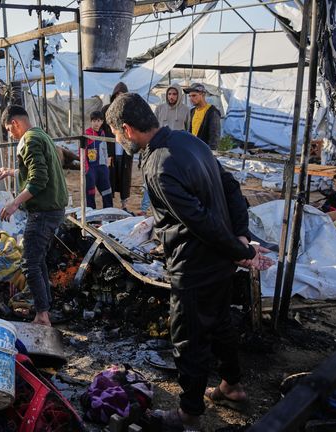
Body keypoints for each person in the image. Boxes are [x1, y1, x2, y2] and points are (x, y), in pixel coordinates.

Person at [104, 93, 273, 431]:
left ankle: (189, 414)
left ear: (127, 129)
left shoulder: (157, 167)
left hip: (194, 267)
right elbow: (230, 187)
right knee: (222, 323)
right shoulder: (188, 141)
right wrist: (240, 237)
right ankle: (232, 386)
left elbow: (200, 223)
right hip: (220, 263)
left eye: (118, 135)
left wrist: (243, 250)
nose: (119, 141)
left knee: (188, 339)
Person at [0, 105, 68, 327]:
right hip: (54, 210)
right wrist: (11, 172)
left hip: (43, 212)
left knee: (29, 263)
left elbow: (38, 180)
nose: (10, 134)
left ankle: (42, 316)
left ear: (15, 123)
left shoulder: (28, 141)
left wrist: (14, 202)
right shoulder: (41, 134)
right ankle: (44, 308)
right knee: (37, 260)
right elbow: (36, 169)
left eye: (9, 129)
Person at [141, 84, 191, 213]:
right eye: (169, 94)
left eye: (174, 94)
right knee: (153, 176)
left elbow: (188, 130)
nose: (172, 97)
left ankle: (170, 208)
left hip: (177, 149)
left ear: (179, 95)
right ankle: (146, 208)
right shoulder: (159, 108)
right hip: (160, 148)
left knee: (174, 179)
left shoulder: (186, 110)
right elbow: (153, 127)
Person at [102, 82, 133, 210]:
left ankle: (124, 205)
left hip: (125, 148)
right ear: (114, 95)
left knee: (125, 178)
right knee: (111, 176)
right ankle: (110, 206)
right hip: (112, 149)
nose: (119, 96)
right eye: (117, 94)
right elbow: (101, 127)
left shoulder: (130, 109)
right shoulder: (106, 109)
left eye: (122, 94)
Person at [83, 110, 113, 209]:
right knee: (90, 193)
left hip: (102, 168)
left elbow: (105, 150)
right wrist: (86, 169)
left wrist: (106, 166)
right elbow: (81, 152)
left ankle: (109, 213)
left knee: (107, 191)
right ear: (91, 121)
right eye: (94, 121)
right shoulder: (86, 134)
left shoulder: (102, 133)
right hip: (91, 169)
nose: (96, 123)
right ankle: (92, 218)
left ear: (102, 122)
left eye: (99, 120)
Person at [185, 83, 222, 150]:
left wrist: (211, 152)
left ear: (203, 94)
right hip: (193, 150)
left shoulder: (212, 112)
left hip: (204, 152)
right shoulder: (192, 111)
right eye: (189, 96)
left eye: (194, 95)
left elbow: (214, 136)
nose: (191, 98)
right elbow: (190, 132)